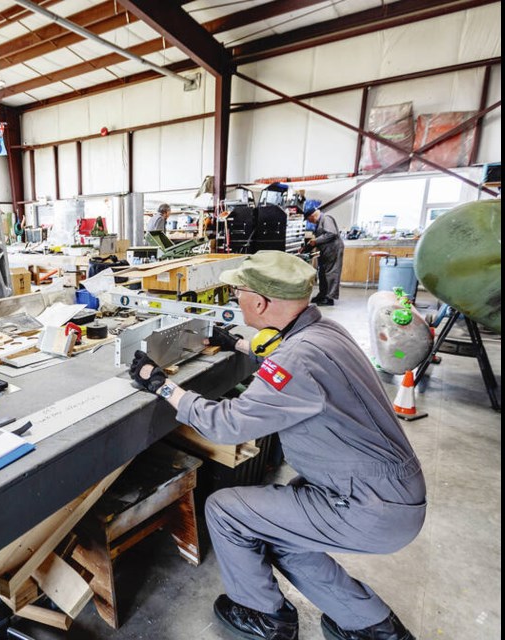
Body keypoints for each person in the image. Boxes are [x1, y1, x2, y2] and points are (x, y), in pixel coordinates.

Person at [128, 251, 425, 640]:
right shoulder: (325, 332)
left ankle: (266, 617)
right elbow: (284, 355)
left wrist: (159, 383)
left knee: (226, 510)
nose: (235, 298)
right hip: (390, 493)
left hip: (367, 506)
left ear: (260, 302)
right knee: (281, 533)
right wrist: (238, 344)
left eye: (238, 291)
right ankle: (370, 624)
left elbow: (227, 423)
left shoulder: (296, 362)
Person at [304, 199, 344, 306]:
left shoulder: (326, 218)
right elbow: (320, 238)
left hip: (333, 250)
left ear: (312, 216)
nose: (310, 222)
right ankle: (322, 294)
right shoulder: (319, 222)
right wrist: (306, 248)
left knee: (331, 273)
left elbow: (331, 233)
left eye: (309, 220)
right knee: (322, 273)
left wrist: (315, 241)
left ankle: (329, 298)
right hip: (325, 251)